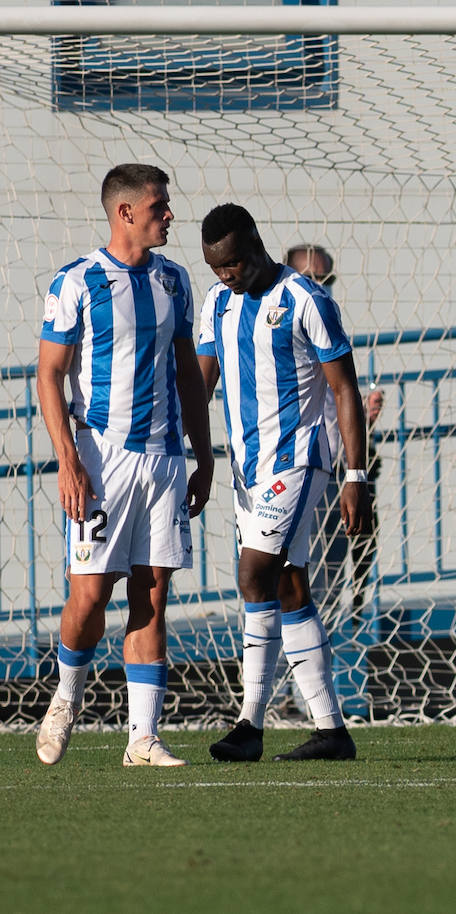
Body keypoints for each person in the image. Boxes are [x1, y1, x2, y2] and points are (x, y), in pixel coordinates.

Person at [34, 163, 214, 767]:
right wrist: (67, 462)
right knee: (90, 594)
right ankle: (66, 696)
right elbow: (50, 375)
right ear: (125, 213)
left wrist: (204, 452)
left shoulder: (175, 280)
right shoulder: (78, 281)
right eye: (160, 206)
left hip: (163, 460)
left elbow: (188, 374)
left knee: (154, 593)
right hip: (100, 457)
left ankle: (143, 737)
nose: (170, 215)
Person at [197, 204, 372, 762]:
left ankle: (249, 723)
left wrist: (355, 475)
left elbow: (344, 388)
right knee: (289, 583)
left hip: (298, 460)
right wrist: (184, 452)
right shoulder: (216, 303)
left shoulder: (306, 299)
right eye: (216, 268)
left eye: (233, 264)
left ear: (255, 243)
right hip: (247, 468)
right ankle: (331, 731)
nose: (227, 275)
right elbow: (201, 385)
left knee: (254, 574)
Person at [284, 244, 385, 629]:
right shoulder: (271, 327)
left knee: (323, 592)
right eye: (312, 279)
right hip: (284, 473)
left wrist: (364, 414)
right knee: (276, 588)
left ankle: (307, 686)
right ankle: (270, 686)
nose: (320, 287)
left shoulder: (328, 327)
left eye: (327, 280)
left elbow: (336, 404)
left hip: (332, 473)